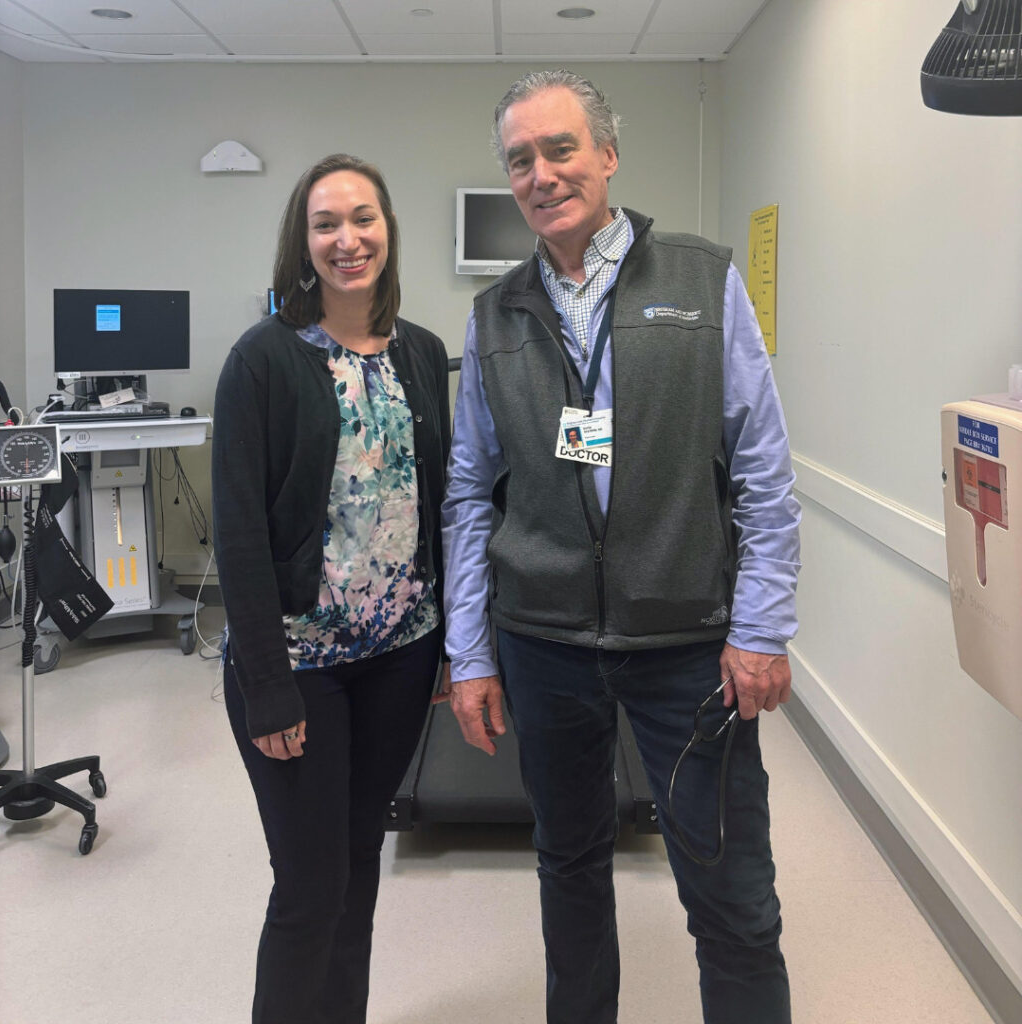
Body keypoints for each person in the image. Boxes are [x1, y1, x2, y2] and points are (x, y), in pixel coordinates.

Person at [440, 70, 800, 1024]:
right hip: (544, 644)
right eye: (521, 159)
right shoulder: (496, 315)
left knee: (731, 896)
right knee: (567, 868)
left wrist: (761, 628)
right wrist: (470, 653)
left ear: (606, 154)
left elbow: (762, 466)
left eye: (561, 149)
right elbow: (472, 491)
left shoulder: (700, 276)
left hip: (684, 646)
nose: (542, 173)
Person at [212, 153, 450, 1024]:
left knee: (357, 863)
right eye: (326, 224)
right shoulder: (264, 360)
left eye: (364, 218)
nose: (347, 239)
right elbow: (237, 532)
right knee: (309, 885)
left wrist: (453, 649)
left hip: (398, 656)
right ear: (301, 243)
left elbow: (439, 509)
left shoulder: (421, 354)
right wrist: (268, 688)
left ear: (387, 228)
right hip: (298, 662)